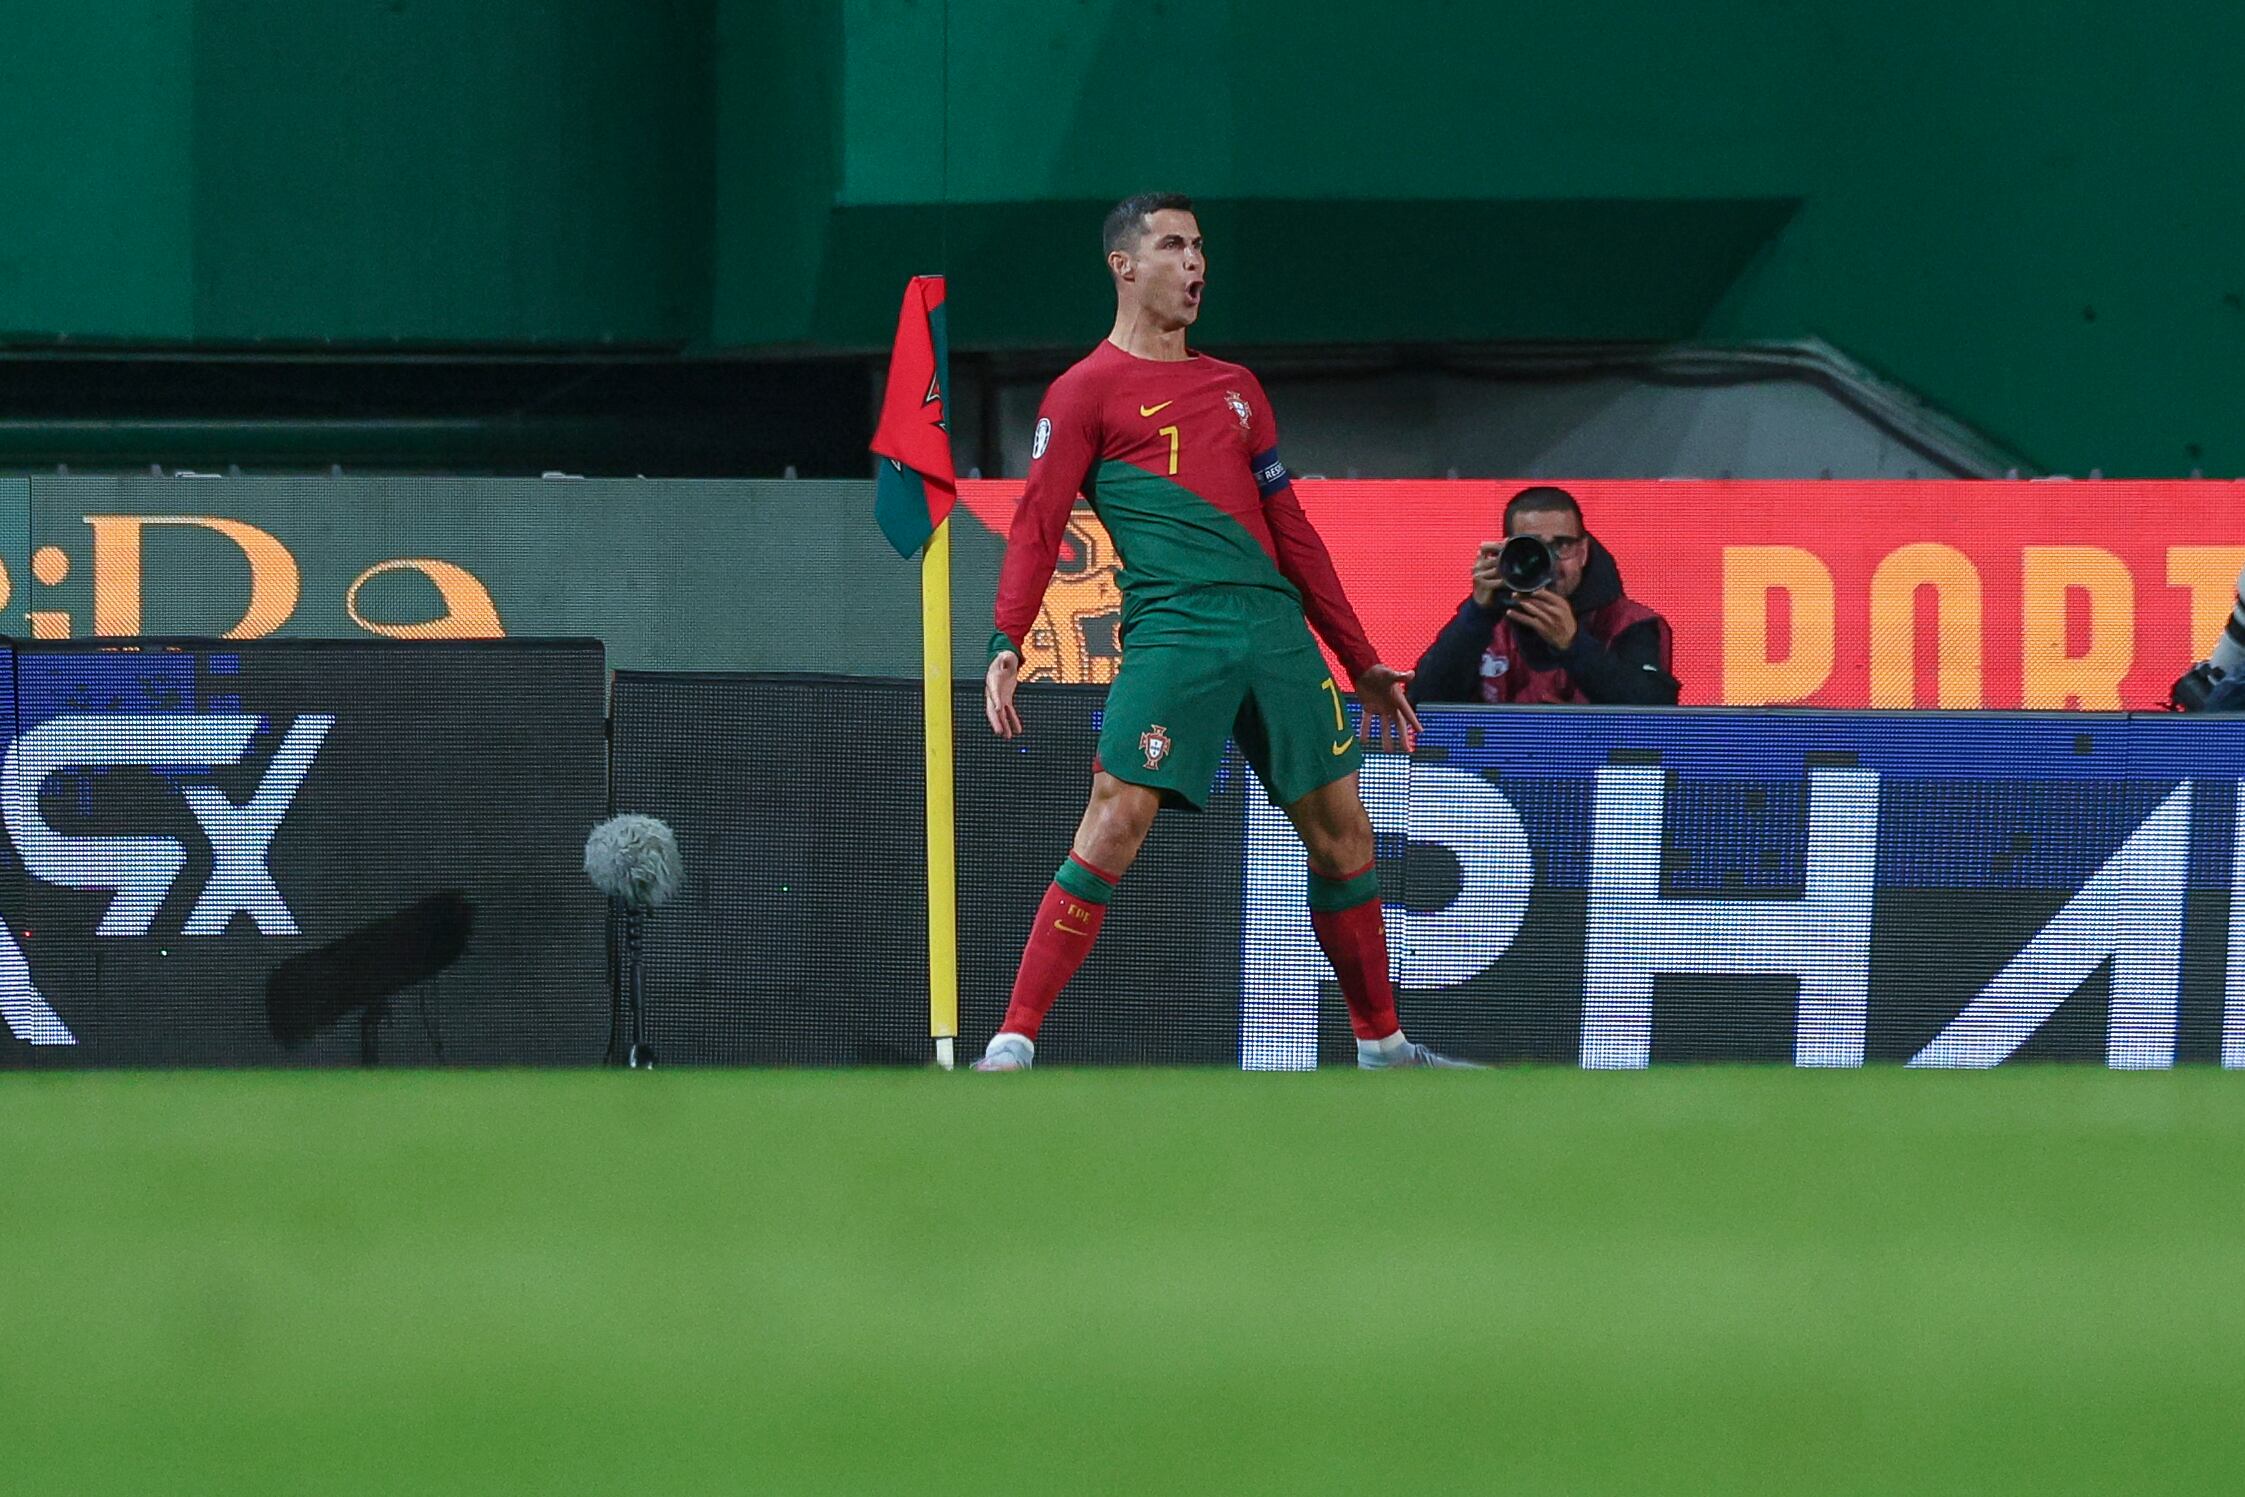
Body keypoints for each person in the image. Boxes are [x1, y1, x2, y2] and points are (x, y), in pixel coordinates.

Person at [976, 192, 1473, 1072]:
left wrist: (1359, 657)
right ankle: (1013, 1038)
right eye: (1172, 246)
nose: (1195, 262)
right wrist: (1008, 637)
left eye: (1199, 247)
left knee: (1343, 832)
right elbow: (1038, 522)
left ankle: (1382, 1046)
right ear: (1122, 266)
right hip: (1176, 628)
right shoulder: (1083, 390)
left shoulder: (1236, 389)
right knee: (1115, 816)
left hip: (1274, 631)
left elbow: (1293, 533)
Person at [1410, 485, 1680, 706]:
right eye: (1534, 547)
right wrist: (1477, 614)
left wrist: (1574, 646)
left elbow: (1655, 715)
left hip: (1592, 769)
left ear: (1583, 551)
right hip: (1492, 767)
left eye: (1561, 545)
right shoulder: (1486, 620)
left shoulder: (1630, 623)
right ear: (1507, 551)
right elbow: (1421, 704)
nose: (1550, 563)